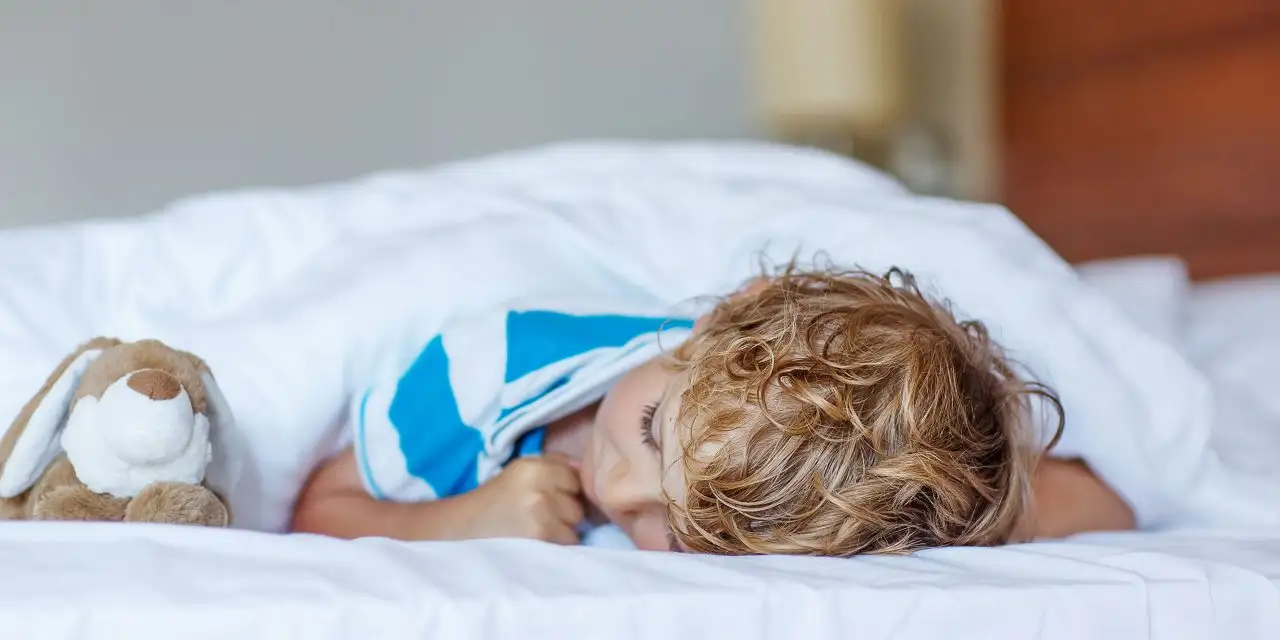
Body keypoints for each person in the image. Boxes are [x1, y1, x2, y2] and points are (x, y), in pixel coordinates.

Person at [291, 266, 1135, 556]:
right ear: (718, 319)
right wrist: (461, 521)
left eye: (683, 532)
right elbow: (315, 509)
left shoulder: (808, 506)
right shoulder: (491, 376)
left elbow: (1108, 504)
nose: (621, 496)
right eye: (653, 429)